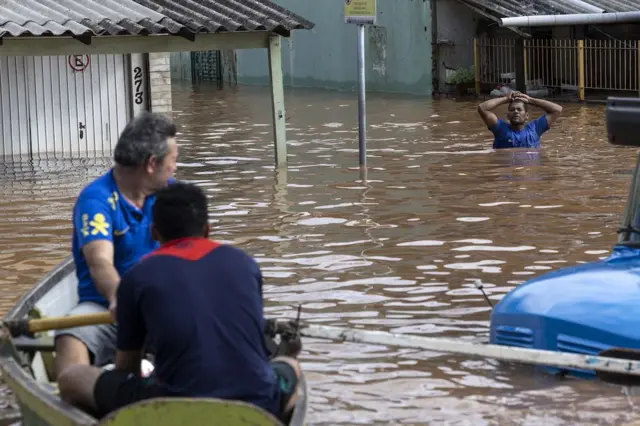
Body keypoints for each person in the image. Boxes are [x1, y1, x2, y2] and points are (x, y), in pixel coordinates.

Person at [57, 182, 303, 424]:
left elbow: (127, 367)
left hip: (170, 403)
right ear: (207, 229)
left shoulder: (138, 276)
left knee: (71, 377)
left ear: (154, 233)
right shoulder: (246, 265)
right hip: (257, 402)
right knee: (291, 365)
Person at [54, 112, 179, 377]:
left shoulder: (172, 195)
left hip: (162, 305)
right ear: (151, 164)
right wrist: (121, 300)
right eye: (173, 161)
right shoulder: (97, 200)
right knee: (69, 338)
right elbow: (100, 262)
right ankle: (77, 400)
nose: (174, 169)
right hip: (106, 308)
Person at [477, 91, 563, 149]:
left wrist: (531, 100)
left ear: (526, 116)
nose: (516, 112)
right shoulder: (500, 129)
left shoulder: (535, 128)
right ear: (507, 116)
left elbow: (557, 109)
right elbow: (482, 108)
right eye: (512, 110)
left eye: (519, 109)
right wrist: (506, 99)